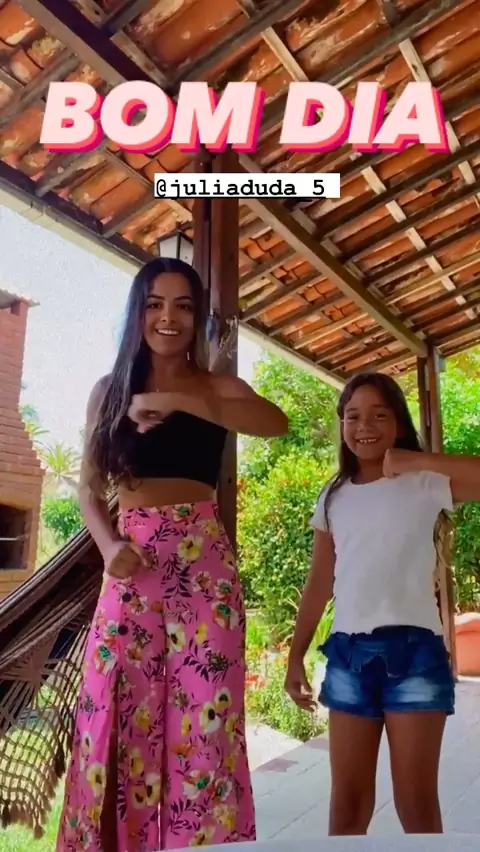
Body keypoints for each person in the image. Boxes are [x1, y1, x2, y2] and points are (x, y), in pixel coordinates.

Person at [56, 257, 288, 852]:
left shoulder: (217, 387)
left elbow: (274, 423)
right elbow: (88, 490)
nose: (169, 317)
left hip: (205, 572)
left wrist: (178, 402)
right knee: (116, 715)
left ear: (197, 318)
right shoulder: (109, 392)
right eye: (155, 303)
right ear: (138, 312)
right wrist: (108, 545)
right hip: (132, 566)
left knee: (207, 723)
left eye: (183, 306)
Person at [284, 371, 480, 837]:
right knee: (347, 808)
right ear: (341, 425)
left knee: (416, 806)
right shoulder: (333, 496)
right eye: (352, 416)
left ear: (398, 423)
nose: (364, 426)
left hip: (415, 657)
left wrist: (415, 459)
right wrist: (295, 655)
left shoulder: (425, 482)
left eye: (379, 414)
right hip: (349, 657)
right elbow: (319, 581)